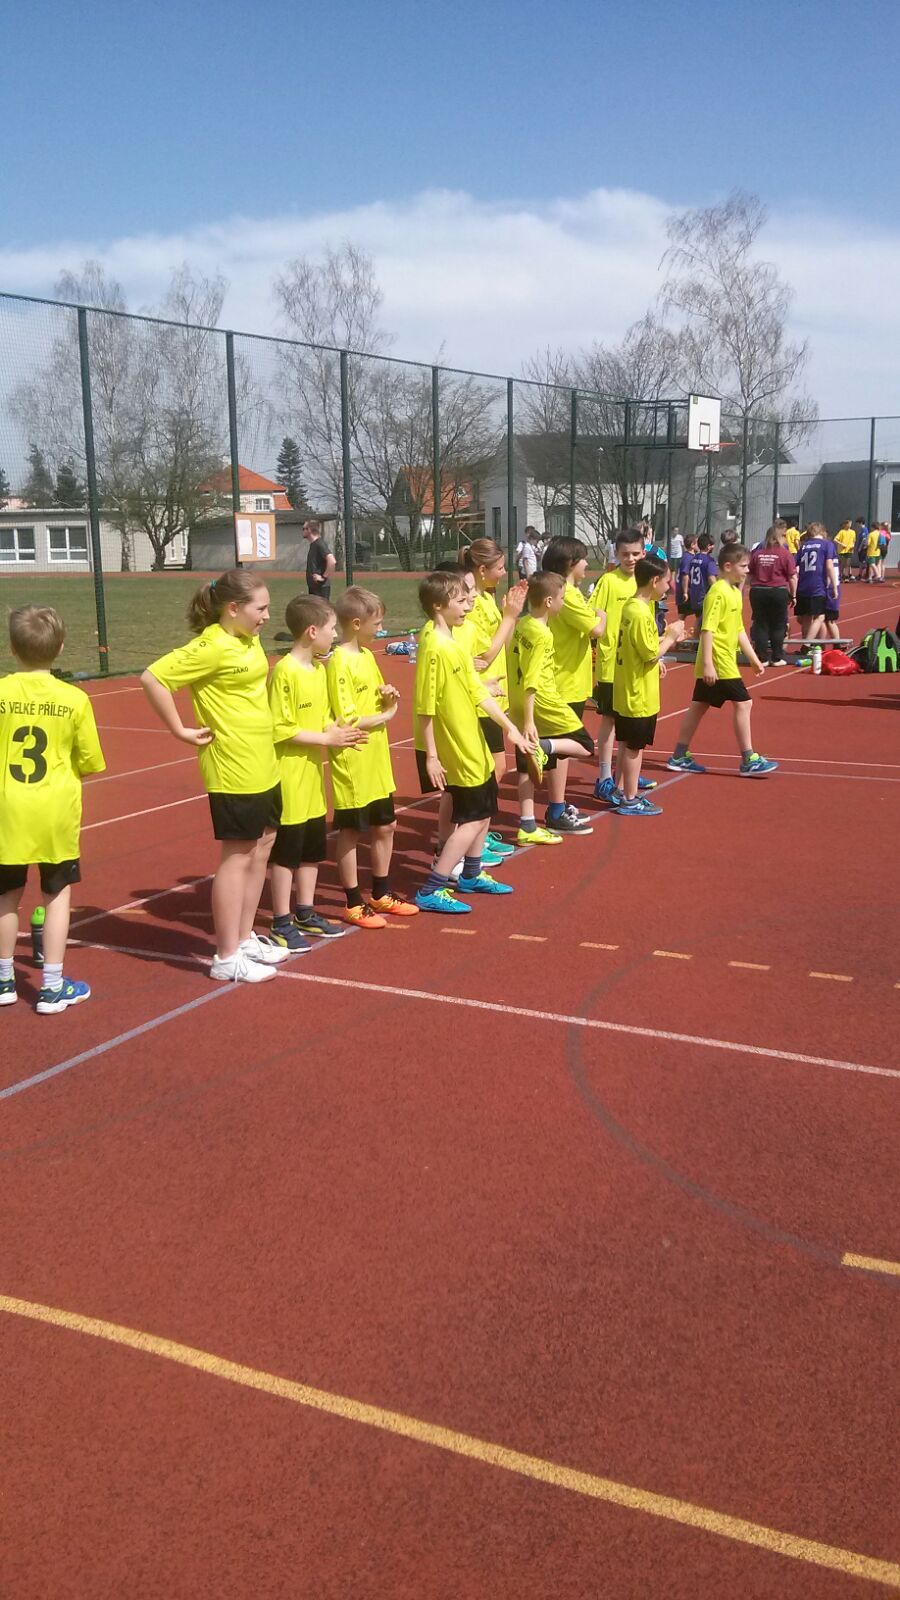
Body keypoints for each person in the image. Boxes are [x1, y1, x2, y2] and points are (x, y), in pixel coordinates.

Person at [142, 569, 289, 984]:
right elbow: (153, 678)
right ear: (233, 608)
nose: (266, 616)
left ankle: (243, 938)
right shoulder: (211, 647)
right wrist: (179, 729)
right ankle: (226, 956)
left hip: (263, 761)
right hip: (233, 766)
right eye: (260, 609)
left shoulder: (248, 638)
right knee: (237, 855)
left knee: (263, 844)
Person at [0, 605, 105, 1013]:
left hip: (8, 808)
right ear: (60, 647)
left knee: (6, 894)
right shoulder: (74, 699)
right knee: (57, 894)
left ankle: (4, 979)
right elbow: (90, 761)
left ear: (12, 648)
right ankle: (52, 986)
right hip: (56, 810)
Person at [413, 571, 532, 914]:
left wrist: (510, 728)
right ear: (439, 605)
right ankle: (432, 887)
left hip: (473, 740)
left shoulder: (452, 643)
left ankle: (471, 874)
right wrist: (432, 756)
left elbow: (477, 690)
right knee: (474, 817)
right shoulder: (434, 647)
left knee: (485, 809)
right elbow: (425, 707)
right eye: (461, 600)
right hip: (458, 745)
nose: (468, 606)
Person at [267, 596, 366, 950]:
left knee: (311, 849)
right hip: (289, 777)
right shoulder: (285, 672)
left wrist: (339, 731)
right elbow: (281, 728)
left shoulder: (319, 671)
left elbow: (323, 718)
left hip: (311, 777)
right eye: (331, 629)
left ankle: (305, 912)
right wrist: (327, 738)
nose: (335, 634)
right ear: (312, 631)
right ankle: (280, 921)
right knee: (287, 853)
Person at [326, 587, 416, 928]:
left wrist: (386, 695)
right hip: (354, 757)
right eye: (376, 624)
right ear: (356, 623)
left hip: (377, 756)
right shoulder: (339, 661)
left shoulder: (366, 655)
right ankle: (352, 902)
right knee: (351, 830)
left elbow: (376, 695)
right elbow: (346, 717)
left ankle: (380, 893)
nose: (381, 629)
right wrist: (386, 714)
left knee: (386, 825)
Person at [667, 544, 778, 779]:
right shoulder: (718, 592)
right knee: (744, 703)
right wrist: (708, 663)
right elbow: (707, 629)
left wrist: (753, 657)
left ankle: (679, 755)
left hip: (724, 659)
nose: (747, 570)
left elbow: (738, 629)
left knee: (699, 705)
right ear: (728, 566)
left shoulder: (735, 592)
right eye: (743, 566)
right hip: (718, 662)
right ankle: (749, 758)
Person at [509, 571, 597, 842]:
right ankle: (544, 747)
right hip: (542, 701)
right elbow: (532, 680)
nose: (563, 602)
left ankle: (527, 825)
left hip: (518, 701)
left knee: (525, 763)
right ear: (549, 601)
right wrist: (530, 721)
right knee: (585, 745)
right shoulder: (543, 634)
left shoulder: (523, 624)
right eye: (562, 598)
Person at [542, 536, 606, 833]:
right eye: (582, 560)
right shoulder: (565, 594)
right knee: (563, 747)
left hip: (571, 679)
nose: (586, 565)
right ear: (570, 563)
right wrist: (602, 614)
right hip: (562, 681)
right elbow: (596, 628)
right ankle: (555, 811)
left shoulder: (570, 593)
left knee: (563, 750)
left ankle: (558, 805)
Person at [612, 554, 684, 816]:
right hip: (638, 692)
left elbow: (641, 647)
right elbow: (650, 654)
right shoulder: (641, 612)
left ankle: (620, 789)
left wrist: (660, 646)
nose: (669, 587)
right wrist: (671, 638)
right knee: (634, 746)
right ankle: (630, 798)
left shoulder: (632, 607)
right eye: (666, 581)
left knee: (625, 743)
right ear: (654, 581)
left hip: (628, 686)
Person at [589, 527, 652, 806]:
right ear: (616, 554)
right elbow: (594, 614)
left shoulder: (645, 582)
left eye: (636, 553)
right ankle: (604, 777)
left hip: (635, 667)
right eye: (625, 554)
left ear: (644, 553)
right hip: (611, 664)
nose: (631, 559)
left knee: (631, 720)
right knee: (611, 719)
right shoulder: (608, 582)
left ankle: (626, 773)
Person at [461, 538, 528, 793]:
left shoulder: (487, 598)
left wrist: (510, 614)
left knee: (488, 767)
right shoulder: (473, 605)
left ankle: (475, 814)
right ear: (482, 570)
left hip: (495, 696)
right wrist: (509, 617)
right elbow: (484, 656)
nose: (503, 572)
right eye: (499, 568)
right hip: (481, 696)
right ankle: (478, 814)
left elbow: (504, 644)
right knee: (494, 767)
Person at [747, 525, 796, 666]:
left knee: (760, 623)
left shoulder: (758, 554)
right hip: (777, 590)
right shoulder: (785, 554)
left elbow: (749, 574)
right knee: (778, 624)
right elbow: (792, 577)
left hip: (758, 591)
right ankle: (776, 657)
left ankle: (762, 657)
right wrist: (793, 595)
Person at [794, 522, 838, 641]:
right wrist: (834, 586)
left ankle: (805, 641)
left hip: (803, 585)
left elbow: (794, 564)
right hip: (817, 586)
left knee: (806, 617)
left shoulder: (804, 546)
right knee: (820, 617)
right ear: (822, 532)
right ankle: (807, 643)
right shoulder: (827, 544)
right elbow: (829, 566)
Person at [685, 533, 718, 636]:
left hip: (694, 593)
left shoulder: (693, 559)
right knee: (703, 621)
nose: (713, 547)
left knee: (699, 618)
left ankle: (697, 638)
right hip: (704, 595)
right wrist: (719, 589)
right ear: (708, 546)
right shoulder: (709, 561)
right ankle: (697, 639)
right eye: (712, 545)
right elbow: (711, 578)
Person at [302, 520, 336, 600]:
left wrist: (323, 578)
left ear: (309, 530)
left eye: (303, 529)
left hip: (320, 588)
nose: (302, 531)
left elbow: (332, 561)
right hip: (315, 588)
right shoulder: (313, 544)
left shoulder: (319, 544)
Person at [853, 518, 869, 582]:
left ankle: (864, 574)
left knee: (862, 561)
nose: (857, 525)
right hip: (861, 547)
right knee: (861, 561)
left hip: (863, 548)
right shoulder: (862, 530)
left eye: (858, 523)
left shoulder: (864, 530)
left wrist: (860, 547)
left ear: (860, 523)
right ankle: (860, 574)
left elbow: (864, 539)